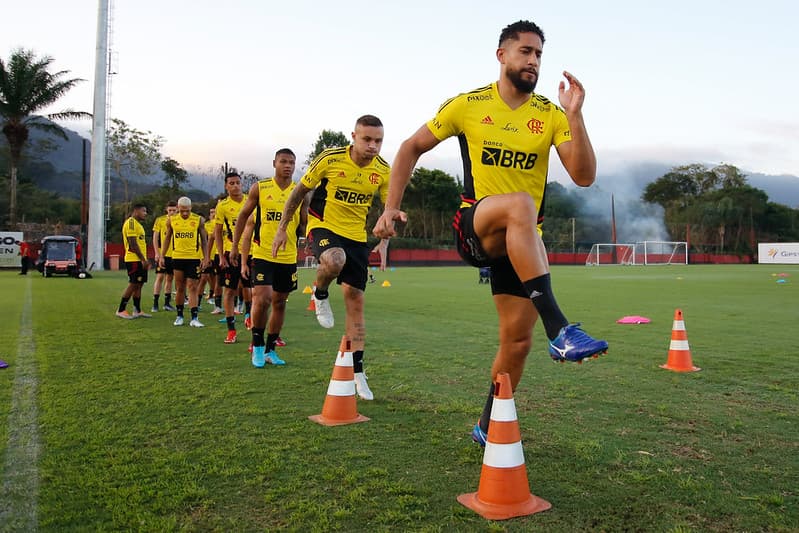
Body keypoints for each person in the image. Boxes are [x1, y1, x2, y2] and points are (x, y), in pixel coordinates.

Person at [373, 20, 608, 444]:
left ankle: (486, 426)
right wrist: (391, 207)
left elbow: (584, 176)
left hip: (522, 244)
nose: (534, 61)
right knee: (520, 204)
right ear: (502, 55)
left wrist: (575, 115)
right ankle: (560, 328)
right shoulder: (468, 105)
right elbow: (410, 147)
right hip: (476, 228)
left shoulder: (550, 115)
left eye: (539, 54)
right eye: (525, 51)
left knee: (517, 342)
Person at [273, 115, 390, 400]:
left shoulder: (383, 170)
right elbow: (298, 193)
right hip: (323, 225)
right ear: (354, 136)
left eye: (378, 141)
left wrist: (384, 242)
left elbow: (389, 210)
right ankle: (320, 292)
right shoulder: (330, 159)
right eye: (367, 139)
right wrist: (282, 229)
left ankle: (358, 371)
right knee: (335, 260)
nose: (373, 146)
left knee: (356, 301)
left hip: (357, 237)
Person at [232, 148, 306, 367]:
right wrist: (235, 246)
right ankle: (257, 346)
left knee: (280, 302)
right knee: (262, 298)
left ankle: (270, 350)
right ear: (274, 163)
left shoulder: (300, 191)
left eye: (291, 162)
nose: (288, 166)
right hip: (263, 254)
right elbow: (243, 216)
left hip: (288, 257)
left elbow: (305, 223)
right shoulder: (261, 188)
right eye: (283, 161)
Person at [159, 196, 209, 327]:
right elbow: (167, 239)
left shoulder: (198, 220)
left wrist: (206, 257)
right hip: (177, 258)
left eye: (187, 210)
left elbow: (204, 241)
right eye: (182, 211)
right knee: (180, 287)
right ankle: (179, 316)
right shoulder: (172, 220)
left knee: (192, 287)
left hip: (193, 258)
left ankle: (194, 318)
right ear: (178, 208)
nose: (185, 213)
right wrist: (162, 256)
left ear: (191, 208)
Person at [215, 172, 250, 344]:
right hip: (232, 253)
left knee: (253, 289)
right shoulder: (222, 206)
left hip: (253, 251)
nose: (235, 186)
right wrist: (221, 255)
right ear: (226, 186)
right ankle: (231, 330)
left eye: (238, 182)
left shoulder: (251, 201)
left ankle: (250, 316)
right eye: (232, 183)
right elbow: (217, 232)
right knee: (229, 290)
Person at [116, 203, 151, 319]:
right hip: (133, 259)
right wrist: (142, 259)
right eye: (143, 211)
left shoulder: (138, 224)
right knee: (133, 284)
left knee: (139, 284)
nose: (145, 213)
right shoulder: (131, 223)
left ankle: (137, 310)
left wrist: (145, 259)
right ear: (136, 211)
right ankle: (121, 309)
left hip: (140, 259)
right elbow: (133, 243)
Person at [151, 201, 178, 312]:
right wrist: (157, 253)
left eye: (174, 210)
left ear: (177, 209)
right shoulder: (160, 220)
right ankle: (155, 303)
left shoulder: (179, 221)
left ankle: (167, 303)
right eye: (170, 210)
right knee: (160, 277)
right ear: (166, 209)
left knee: (170, 278)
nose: (172, 212)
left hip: (175, 255)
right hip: (163, 254)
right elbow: (155, 238)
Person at [198, 207, 219, 310]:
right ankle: (197, 302)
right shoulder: (205, 226)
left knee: (215, 278)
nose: (213, 214)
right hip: (207, 256)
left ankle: (212, 296)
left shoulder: (220, 224)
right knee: (203, 278)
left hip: (217, 255)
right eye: (211, 212)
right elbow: (202, 242)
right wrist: (204, 257)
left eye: (215, 212)